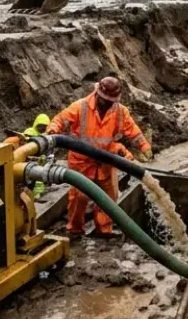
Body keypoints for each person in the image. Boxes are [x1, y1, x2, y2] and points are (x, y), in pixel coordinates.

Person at [47, 76, 154, 237]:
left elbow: (133, 130)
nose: (109, 103)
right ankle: (74, 229)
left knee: (109, 198)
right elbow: (60, 120)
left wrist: (144, 146)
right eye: (106, 100)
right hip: (81, 161)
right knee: (80, 197)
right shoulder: (80, 107)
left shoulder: (120, 111)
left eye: (112, 100)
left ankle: (104, 230)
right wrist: (51, 132)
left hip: (105, 160)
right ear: (97, 94)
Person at [24, 113, 52, 199]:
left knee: (40, 177)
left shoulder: (47, 135)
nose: (42, 128)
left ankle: (37, 194)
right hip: (29, 158)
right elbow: (24, 140)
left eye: (44, 126)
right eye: (40, 125)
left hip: (41, 159)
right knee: (28, 178)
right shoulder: (30, 131)